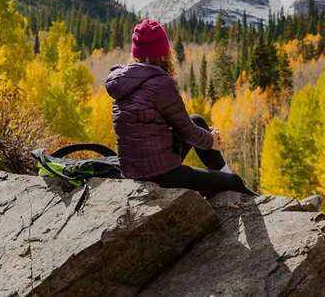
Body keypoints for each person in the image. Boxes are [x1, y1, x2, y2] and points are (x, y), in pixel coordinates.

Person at [105, 19, 256, 198]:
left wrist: (207, 137)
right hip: (159, 175)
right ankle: (240, 190)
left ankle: (225, 175)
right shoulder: (160, 84)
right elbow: (188, 132)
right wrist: (211, 140)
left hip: (134, 169)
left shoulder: (123, 81)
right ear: (163, 53)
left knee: (198, 120)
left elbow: (181, 126)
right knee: (234, 182)